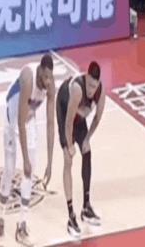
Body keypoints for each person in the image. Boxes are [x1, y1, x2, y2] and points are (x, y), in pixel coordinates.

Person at [0, 54, 56, 247]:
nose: (48, 81)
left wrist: (50, 162)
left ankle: (22, 224)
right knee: (10, 170)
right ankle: (1, 220)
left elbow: (50, 124)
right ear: (40, 71)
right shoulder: (28, 78)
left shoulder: (50, 85)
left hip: (28, 121)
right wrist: (25, 159)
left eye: (50, 77)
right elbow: (19, 123)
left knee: (30, 172)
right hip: (13, 121)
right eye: (45, 77)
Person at [56, 61, 105, 236]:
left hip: (79, 113)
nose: (91, 90)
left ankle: (86, 206)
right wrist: (69, 146)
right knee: (68, 159)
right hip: (65, 108)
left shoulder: (100, 90)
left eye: (94, 86)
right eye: (90, 85)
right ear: (86, 77)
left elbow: (97, 118)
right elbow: (69, 122)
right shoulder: (77, 89)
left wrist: (87, 138)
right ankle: (71, 215)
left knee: (87, 150)